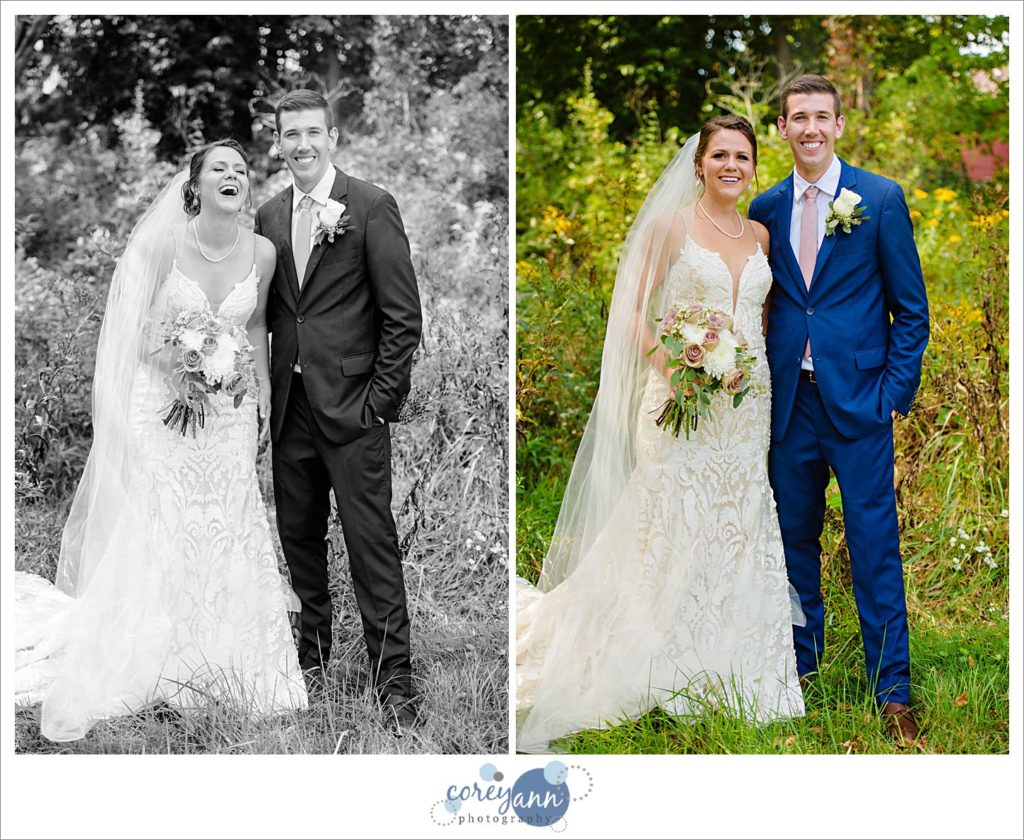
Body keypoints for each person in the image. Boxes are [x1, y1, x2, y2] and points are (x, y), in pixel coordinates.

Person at [516, 115, 804, 754]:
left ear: (754, 166)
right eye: (720, 155)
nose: (731, 166)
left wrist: (740, 367)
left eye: (742, 156)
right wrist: (677, 368)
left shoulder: (760, 234)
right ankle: (654, 659)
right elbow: (630, 311)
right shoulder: (670, 228)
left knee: (738, 519)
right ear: (699, 164)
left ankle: (736, 665)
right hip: (681, 402)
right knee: (670, 518)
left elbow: (758, 320)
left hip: (746, 410)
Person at [15, 140, 308, 741]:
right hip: (162, 403)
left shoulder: (263, 251)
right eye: (219, 168)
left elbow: (254, 325)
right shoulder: (160, 245)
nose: (233, 176)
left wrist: (260, 393)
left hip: (228, 412)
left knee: (229, 520)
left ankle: (233, 660)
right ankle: (152, 658)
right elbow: (136, 329)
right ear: (194, 186)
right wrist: (184, 367)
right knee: (162, 518)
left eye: (241, 170)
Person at [748, 75, 929, 746]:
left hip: (859, 406)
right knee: (792, 542)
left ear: (840, 125)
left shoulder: (878, 199)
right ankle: (801, 668)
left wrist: (891, 396)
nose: (811, 128)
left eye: (822, 116)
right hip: (789, 406)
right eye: (799, 117)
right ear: (782, 129)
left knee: (874, 545)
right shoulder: (765, 208)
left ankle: (893, 690)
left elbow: (911, 311)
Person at [253, 90, 422, 729]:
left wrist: (379, 404)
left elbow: (402, 317)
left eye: (312, 132)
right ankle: (312, 660)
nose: (301, 144)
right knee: (299, 542)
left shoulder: (371, 205)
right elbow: (273, 314)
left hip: (354, 410)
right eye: (289, 134)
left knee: (370, 543)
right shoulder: (268, 215)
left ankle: (395, 682)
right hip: (291, 407)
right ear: (278, 143)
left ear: (333, 137)